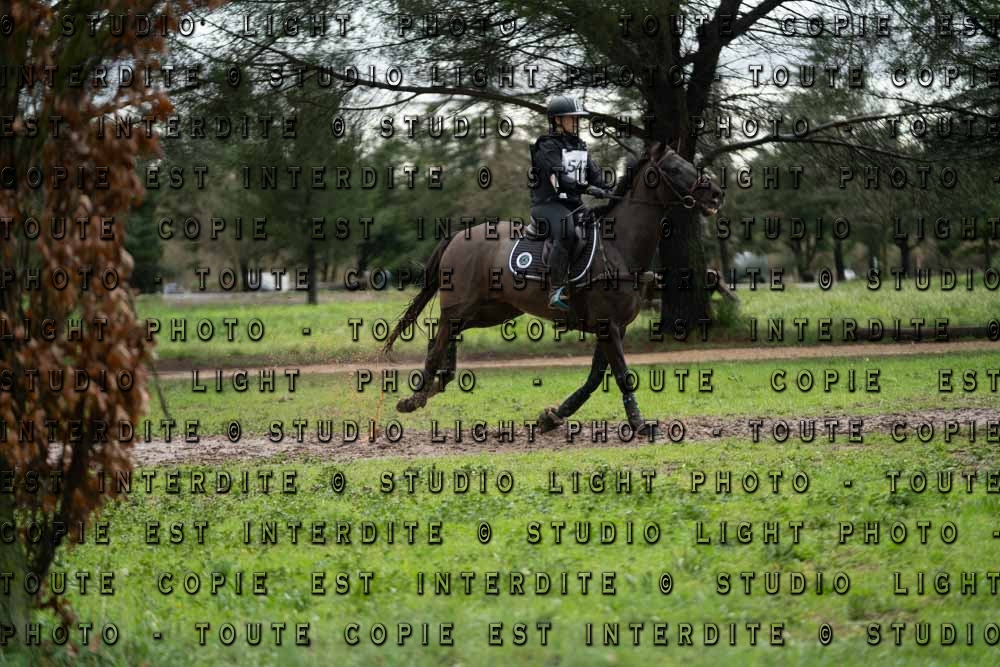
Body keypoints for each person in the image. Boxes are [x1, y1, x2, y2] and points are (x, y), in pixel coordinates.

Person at [529, 96, 610, 311]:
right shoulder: (546, 146)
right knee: (567, 232)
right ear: (557, 120)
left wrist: (611, 189)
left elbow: (596, 176)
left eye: (578, 119)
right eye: (571, 118)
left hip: (573, 205)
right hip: (547, 205)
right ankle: (556, 289)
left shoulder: (580, 146)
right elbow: (560, 177)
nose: (576, 122)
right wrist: (587, 188)